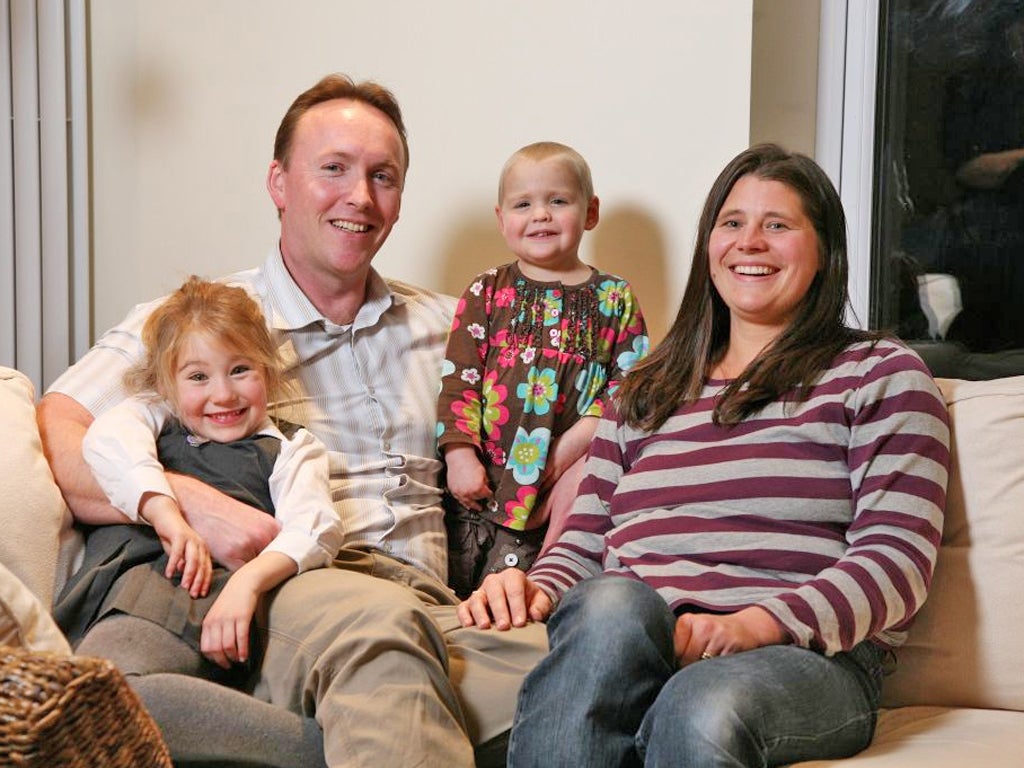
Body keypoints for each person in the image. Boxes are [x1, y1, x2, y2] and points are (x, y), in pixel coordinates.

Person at [38, 73, 548, 768]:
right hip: (297, 592)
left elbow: (566, 445)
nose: (360, 197)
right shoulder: (207, 326)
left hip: (440, 612)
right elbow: (60, 424)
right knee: (380, 633)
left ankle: (343, 737)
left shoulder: (457, 327)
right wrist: (190, 503)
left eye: (383, 176)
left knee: (599, 663)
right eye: (333, 169)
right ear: (278, 183)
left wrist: (531, 570)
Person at [458, 144, 951, 767]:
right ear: (708, 244)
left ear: (825, 251)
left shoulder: (877, 373)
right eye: (732, 223)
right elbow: (584, 541)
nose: (750, 242)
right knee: (611, 602)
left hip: (799, 659)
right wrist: (530, 588)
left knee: (701, 703)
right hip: (630, 643)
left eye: (778, 225)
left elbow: (896, 560)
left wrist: (752, 625)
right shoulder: (646, 390)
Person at [57, 276, 344, 687]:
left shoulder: (292, 449)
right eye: (198, 377)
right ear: (166, 386)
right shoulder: (149, 419)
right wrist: (164, 512)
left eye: (240, 370)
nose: (223, 394)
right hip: (120, 595)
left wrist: (247, 584)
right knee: (88, 704)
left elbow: (315, 530)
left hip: (210, 607)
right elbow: (106, 441)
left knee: (101, 702)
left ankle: (312, 747)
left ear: (268, 371)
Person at [438, 141, 648, 597]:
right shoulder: (486, 292)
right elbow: (460, 379)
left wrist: (568, 452)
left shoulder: (615, 298)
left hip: (561, 485)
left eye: (558, 201)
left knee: (534, 600)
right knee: (465, 595)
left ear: (590, 212)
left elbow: (628, 388)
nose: (541, 215)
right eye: (523, 204)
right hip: (482, 485)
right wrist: (459, 454)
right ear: (502, 219)